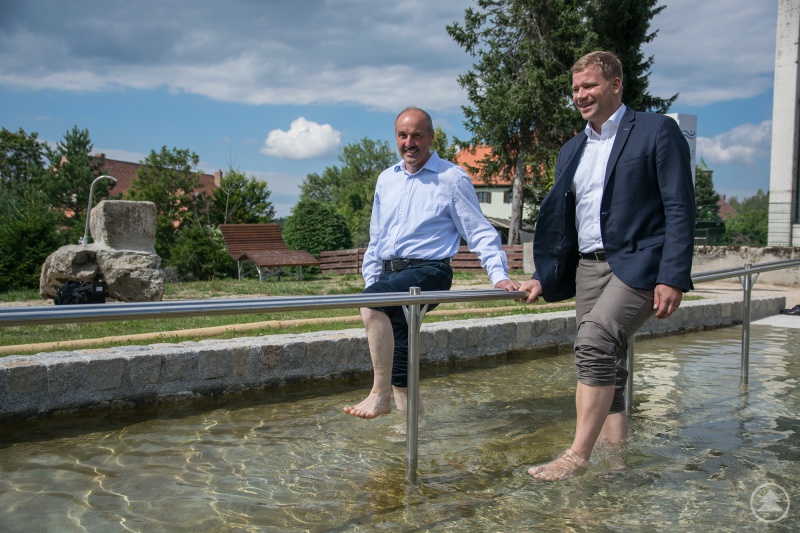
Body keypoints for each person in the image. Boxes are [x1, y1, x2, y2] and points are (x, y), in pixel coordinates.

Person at [519, 51, 695, 480]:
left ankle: (577, 456)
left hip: (640, 264)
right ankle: (617, 463)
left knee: (594, 342)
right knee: (606, 362)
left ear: (616, 84)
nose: (580, 95)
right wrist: (544, 275)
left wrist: (672, 275)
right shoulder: (572, 149)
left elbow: (679, 205)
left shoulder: (657, 130)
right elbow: (563, 222)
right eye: (576, 88)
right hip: (588, 268)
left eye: (590, 85)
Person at [344, 107, 520, 419]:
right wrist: (372, 281)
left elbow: (478, 230)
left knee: (372, 304)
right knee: (401, 359)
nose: (409, 142)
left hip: (430, 270)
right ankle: (415, 431)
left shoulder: (451, 178)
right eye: (402, 135)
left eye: (416, 135)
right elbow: (377, 237)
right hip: (390, 274)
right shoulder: (386, 179)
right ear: (395, 138)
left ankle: (378, 394)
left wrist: (498, 276)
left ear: (431, 138)